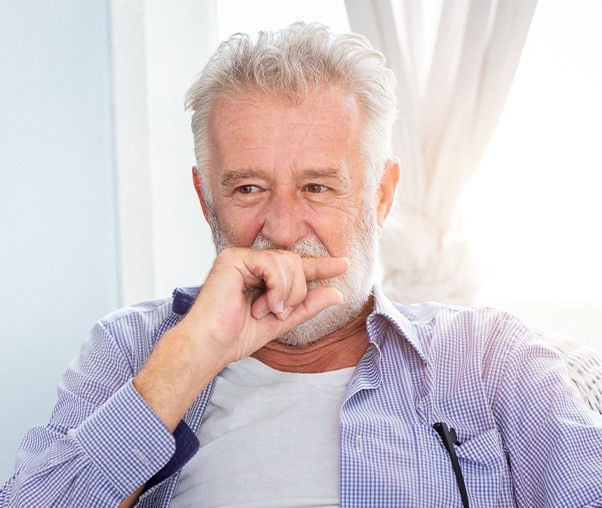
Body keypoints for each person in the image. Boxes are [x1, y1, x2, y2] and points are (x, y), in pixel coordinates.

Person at [2, 22, 602, 508]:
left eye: (317, 187)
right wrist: (188, 360)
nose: (283, 229)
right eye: (247, 189)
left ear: (381, 195)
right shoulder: (131, 350)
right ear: (205, 198)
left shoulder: (493, 359)